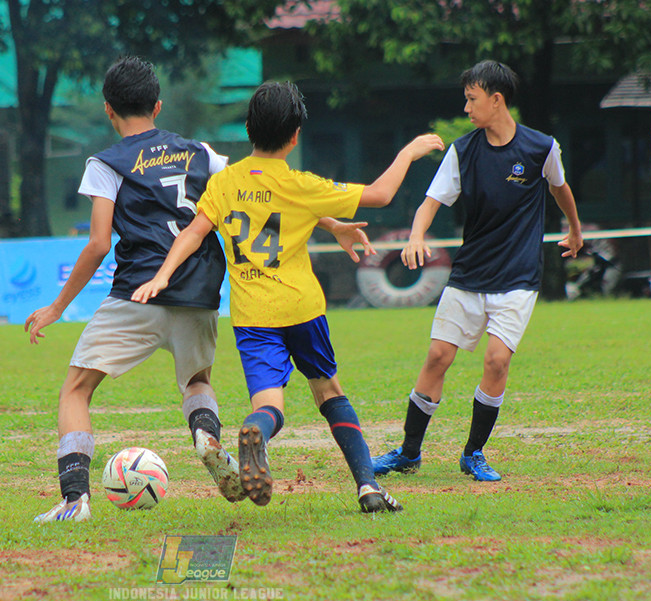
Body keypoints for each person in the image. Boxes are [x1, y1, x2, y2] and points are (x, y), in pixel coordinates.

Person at [133, 81, 444, 513]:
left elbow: (193, 233)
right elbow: (380, 194)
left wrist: (163, 275)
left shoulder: (226, 182)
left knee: (269, 404)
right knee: (329, 391)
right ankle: (368, 487)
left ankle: (257, 429)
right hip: (302, 309)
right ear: (295, 135)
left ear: (247, 128)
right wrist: (410, 152)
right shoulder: (300, 182)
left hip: (253, 316)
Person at [25, 56, 239, 523]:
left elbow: (99, 242)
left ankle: (75, 500)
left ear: (108, 110)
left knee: (76, 391)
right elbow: (246, 197)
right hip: (199, 292)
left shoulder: (105, 163)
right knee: (197, 381)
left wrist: (58, 306)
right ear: (158, 105)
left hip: (136, 293)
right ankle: (205, 434)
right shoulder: (203, 153)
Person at [371, 60, 583, 482]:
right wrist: (416, 235)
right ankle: (409, 452)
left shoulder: (541, 147)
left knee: (497, 361)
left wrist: (575, 231)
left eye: (471, 99)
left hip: (518, 277)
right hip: (470, 275)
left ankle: (473, 453)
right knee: (437, 356)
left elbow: (560, 188)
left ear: (495, 99)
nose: (466, 108)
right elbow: (431, 201)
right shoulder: (463, 151)